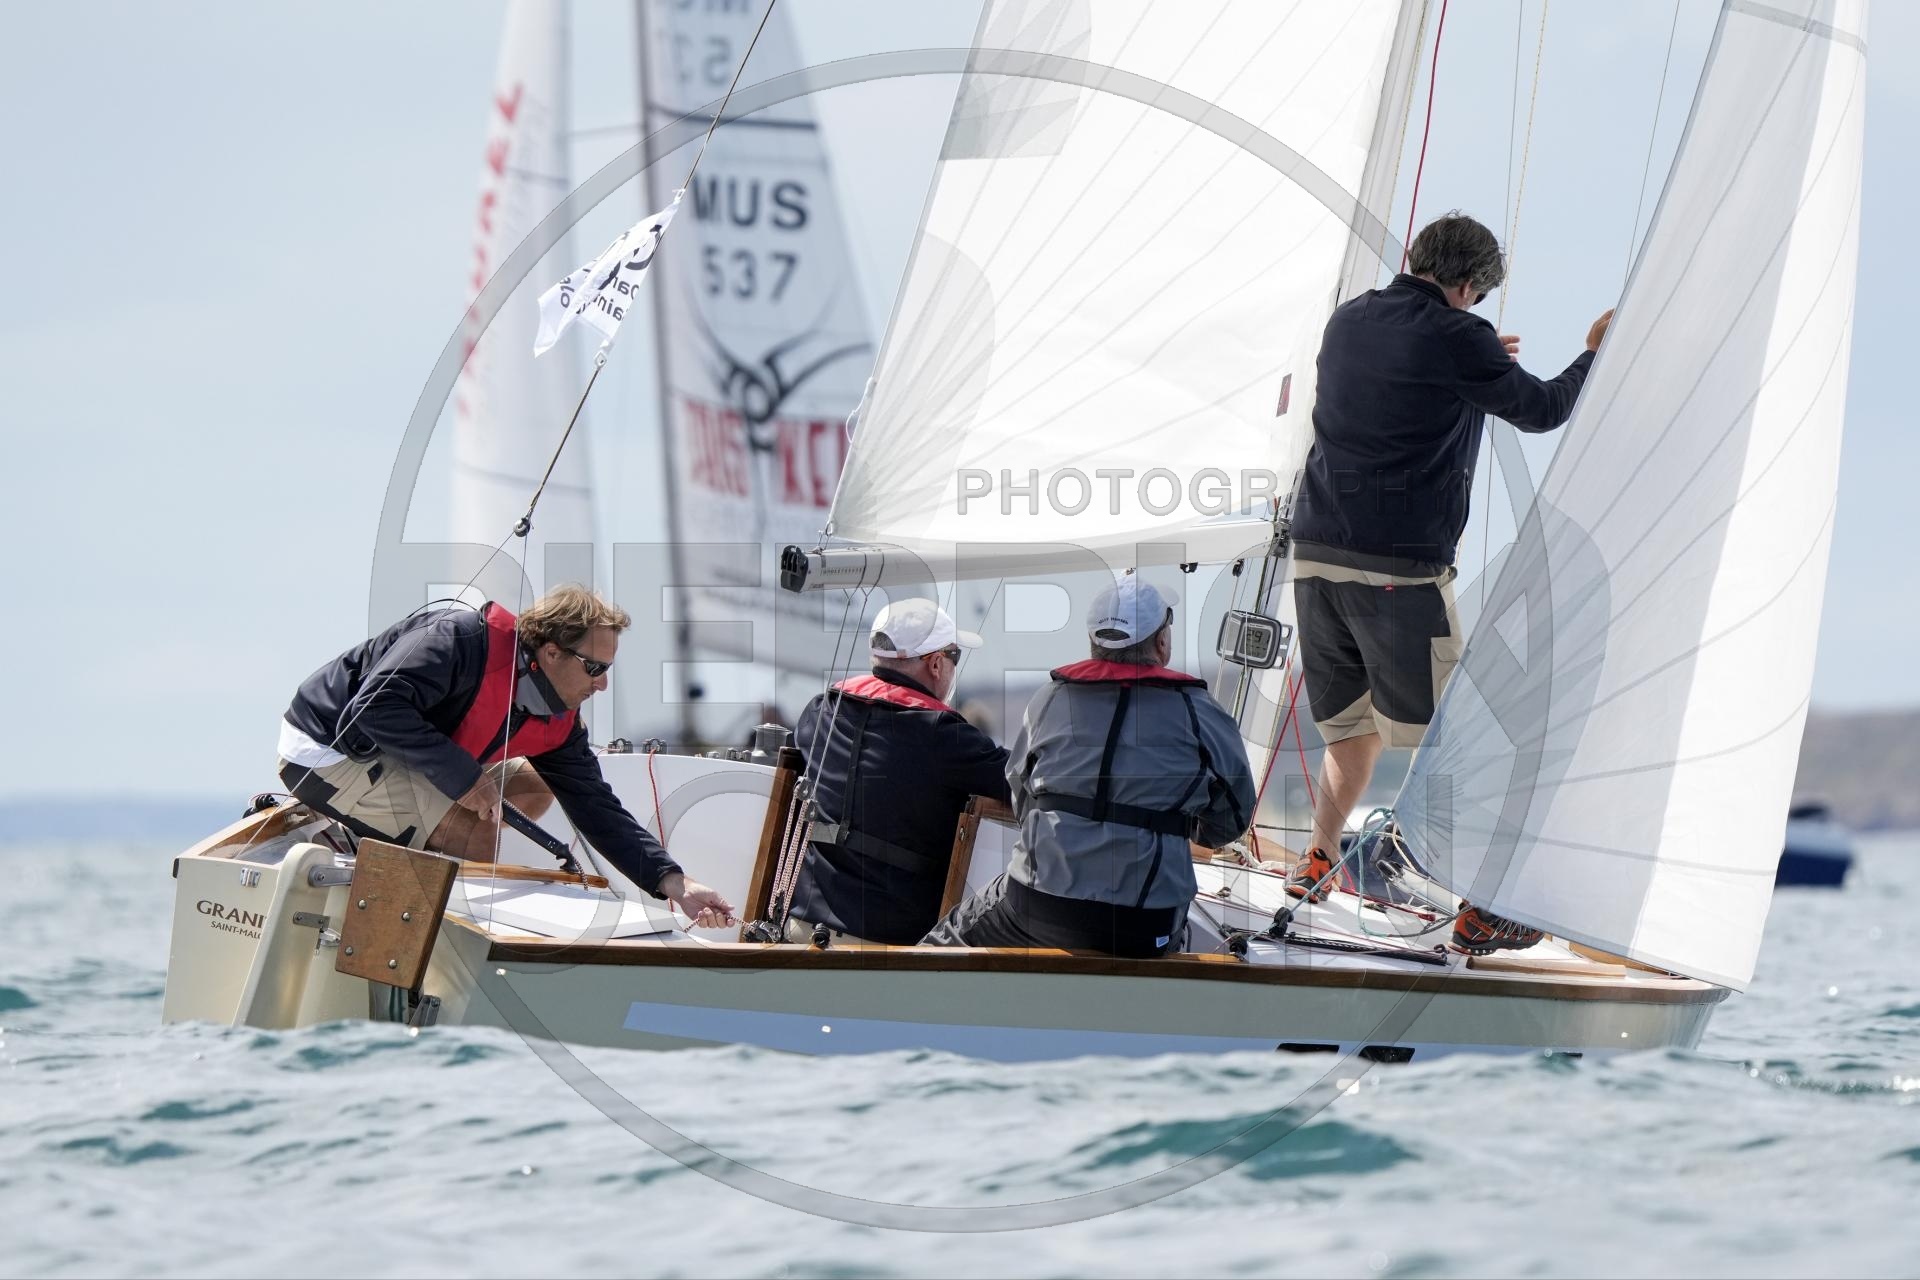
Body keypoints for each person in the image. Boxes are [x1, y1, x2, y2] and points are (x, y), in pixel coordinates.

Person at [1285, 211, 1612, 954]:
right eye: (1477, 297)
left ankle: (1317, 861)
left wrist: (1473, 355)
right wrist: (1594, 354)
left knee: (1352, 727)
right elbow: (1544, 409)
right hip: (1396, 569)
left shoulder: (1350, 319)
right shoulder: (1459, 337)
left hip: (1316, 553)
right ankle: (1482, 905)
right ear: (1468, 285)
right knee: (1463, 738)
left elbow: (1400, 379)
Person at [276, 586, 735, 926]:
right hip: (326, 750)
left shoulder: (560, 722)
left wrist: (676, 883)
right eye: (594, 668)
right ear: (551, 653)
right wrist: (465, 781)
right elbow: (373, 709)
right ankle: (451, 943)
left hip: (402, 753)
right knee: (480, 829)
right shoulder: (457, 642)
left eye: (607, 669)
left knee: (534, 784)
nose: (602, 684)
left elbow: (596, 807)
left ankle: (385, 835)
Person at [924, 579, 1255, 958]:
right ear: (1162, 642)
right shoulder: (1200, 712)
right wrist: (1181, 827)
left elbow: (1020, 794)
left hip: (1041, 907)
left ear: (1093, 643)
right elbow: (1231, 820)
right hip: (1145, 926)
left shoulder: (1049, 700)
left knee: (945, 940)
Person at [784, 599, 1011, 946]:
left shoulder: (821, 711)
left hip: (800, 931)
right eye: (955, 656)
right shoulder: (944, 736)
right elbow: (1025, 780)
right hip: (886, 948)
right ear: (936, 663)